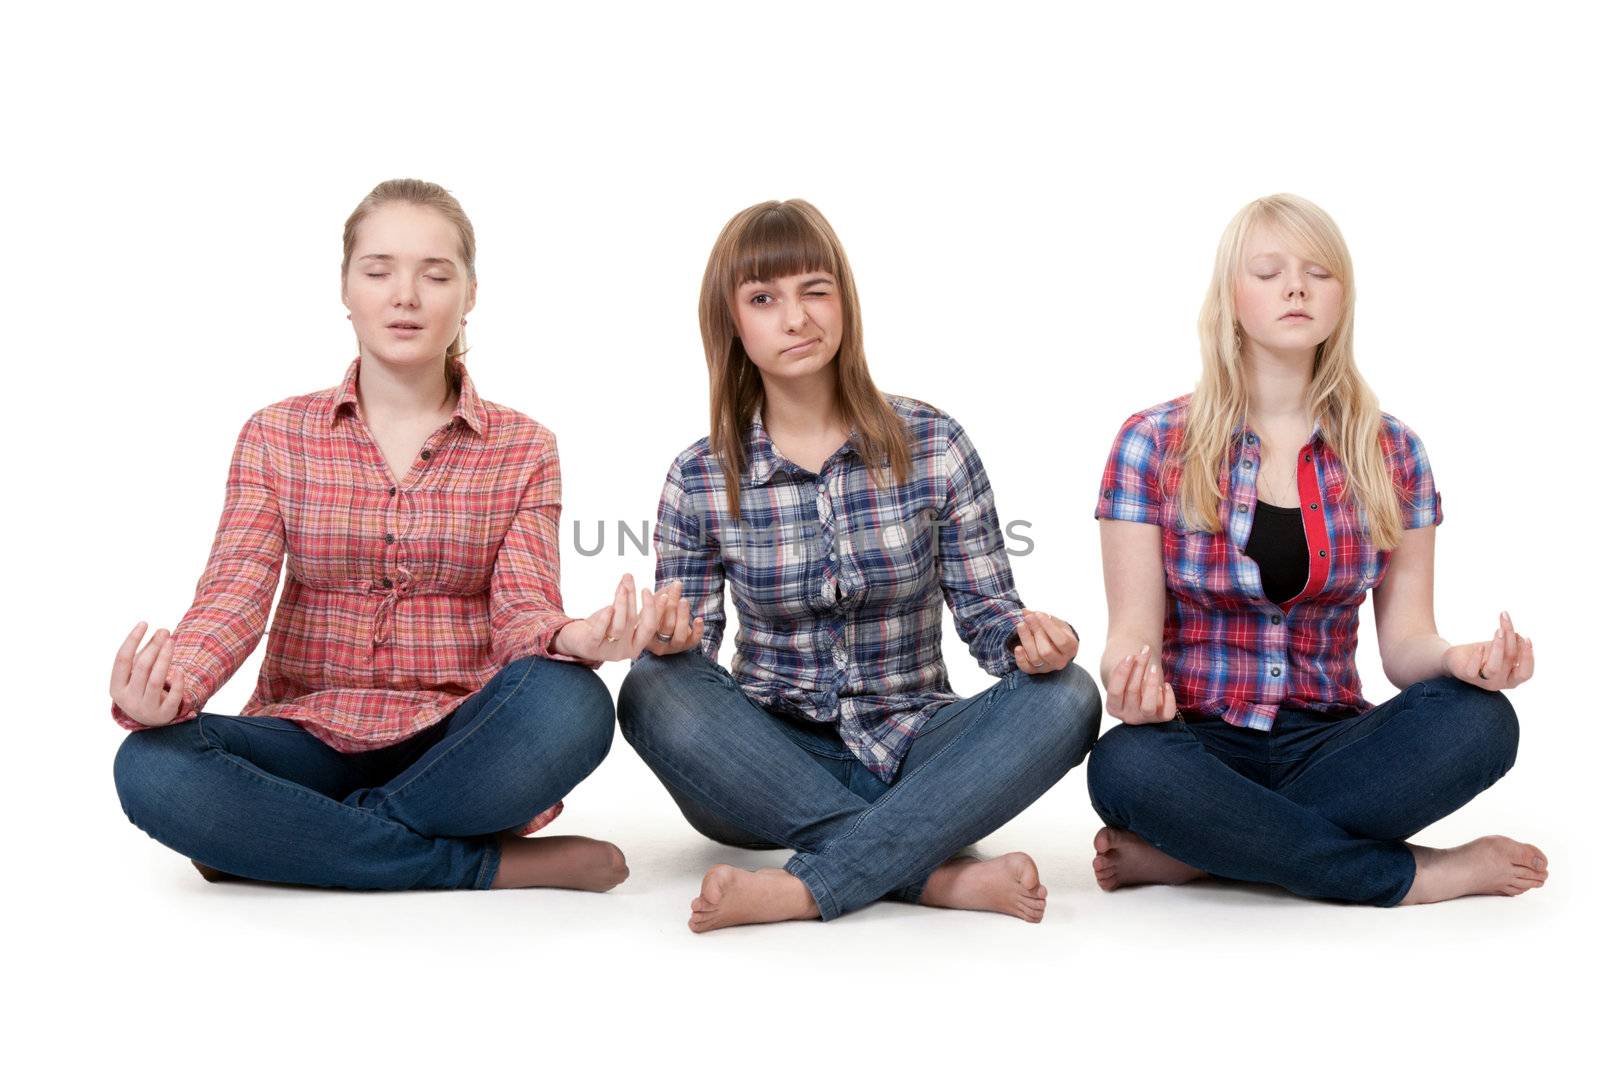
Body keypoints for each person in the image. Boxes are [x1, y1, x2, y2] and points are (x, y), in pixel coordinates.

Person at [110, 178, 657, 892]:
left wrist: (574, 638)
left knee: (576, 704)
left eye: (435, 275)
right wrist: (171, 684)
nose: (406, 295)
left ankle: (284, 836)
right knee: (151, 764)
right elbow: (232, 596)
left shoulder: (526, 447)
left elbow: (522, 608)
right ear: (346, 287)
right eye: (379, 270)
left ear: (469, 294)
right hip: (306, 730)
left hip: (459, 741)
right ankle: (476, 863)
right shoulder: (275, 435)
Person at [618, 199, 1101, 932]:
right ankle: (934, 876)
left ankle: (804, 886)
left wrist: (1030, 642)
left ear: (844, 300)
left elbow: (988, 612)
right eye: (764, 298)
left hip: (920, 747)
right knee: (653, 689)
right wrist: (669, 638)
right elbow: (695, 656)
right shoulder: (700, 475)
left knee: (1067, 696)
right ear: (733, 326)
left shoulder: (934, 442)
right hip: (765, 764)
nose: (796, 317)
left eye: (815, 289)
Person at [1086, 192, 1547, 906]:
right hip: (1198, 744)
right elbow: (1130, 641)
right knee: (1123, 765)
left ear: (1342, 298)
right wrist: (1129, 684)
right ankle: (1419, 874)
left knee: (1482, 721)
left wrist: (1463, 660)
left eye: (1317, 272)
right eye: (1268, 271)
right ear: (1230, 297)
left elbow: (1406, 646)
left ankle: (1207, 851)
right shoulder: (1152, 443)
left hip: (1330, 744)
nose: (1295, 286)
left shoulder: (1393, 451)